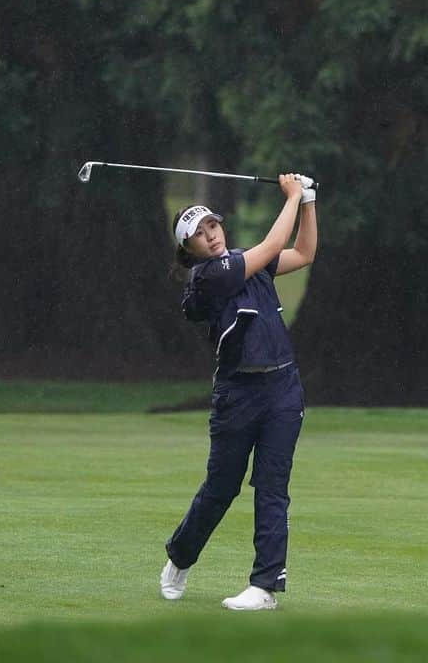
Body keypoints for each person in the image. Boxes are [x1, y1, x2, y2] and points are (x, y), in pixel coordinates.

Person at [160, 172, 317, 611]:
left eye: (213, 226)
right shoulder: (208, 277)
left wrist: (309, 203)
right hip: (237, 394)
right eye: (199, 234)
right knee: (222, 488)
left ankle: (265, 586)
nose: (210, 236)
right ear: (187, 250)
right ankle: (180, 556)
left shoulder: (244, 260)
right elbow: (269, 248)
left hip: (282, 388)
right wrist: (291, 196)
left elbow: (303, 252)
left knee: (272, 487)